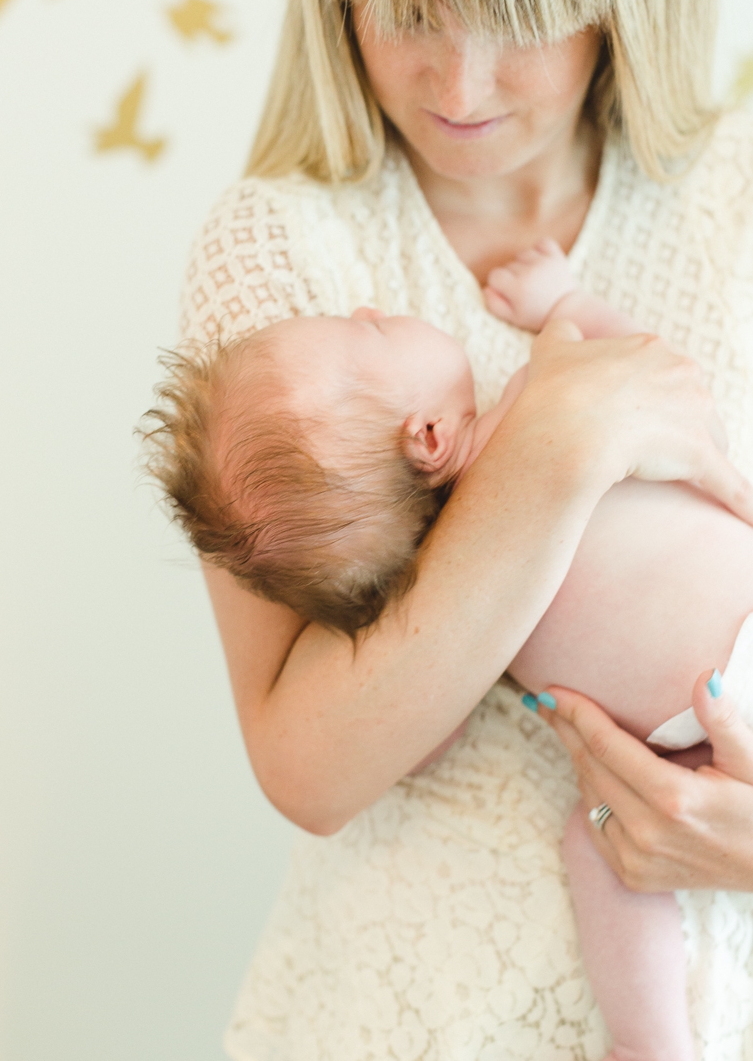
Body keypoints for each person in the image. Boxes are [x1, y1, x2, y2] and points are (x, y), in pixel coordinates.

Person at [177, 0, 753, 1054]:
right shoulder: (283, 263)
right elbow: (314, 766)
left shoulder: (736, 197)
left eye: (520, 13)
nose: (460, 81)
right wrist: (552, 451)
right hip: (400, 1007)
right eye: (413, 10)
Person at [151, 237, 753, 1060]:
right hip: (690, 728)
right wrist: (564, 310)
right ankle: (653, 1042)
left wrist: (563, 301)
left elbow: (426, 741)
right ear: (429, 436)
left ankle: (651, 1042)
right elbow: (626, 354)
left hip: (717, 671)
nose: (371, 309)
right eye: (372, 333)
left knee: (596, 847)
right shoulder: (531, 408)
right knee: (605, 834)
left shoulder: (446, 582)